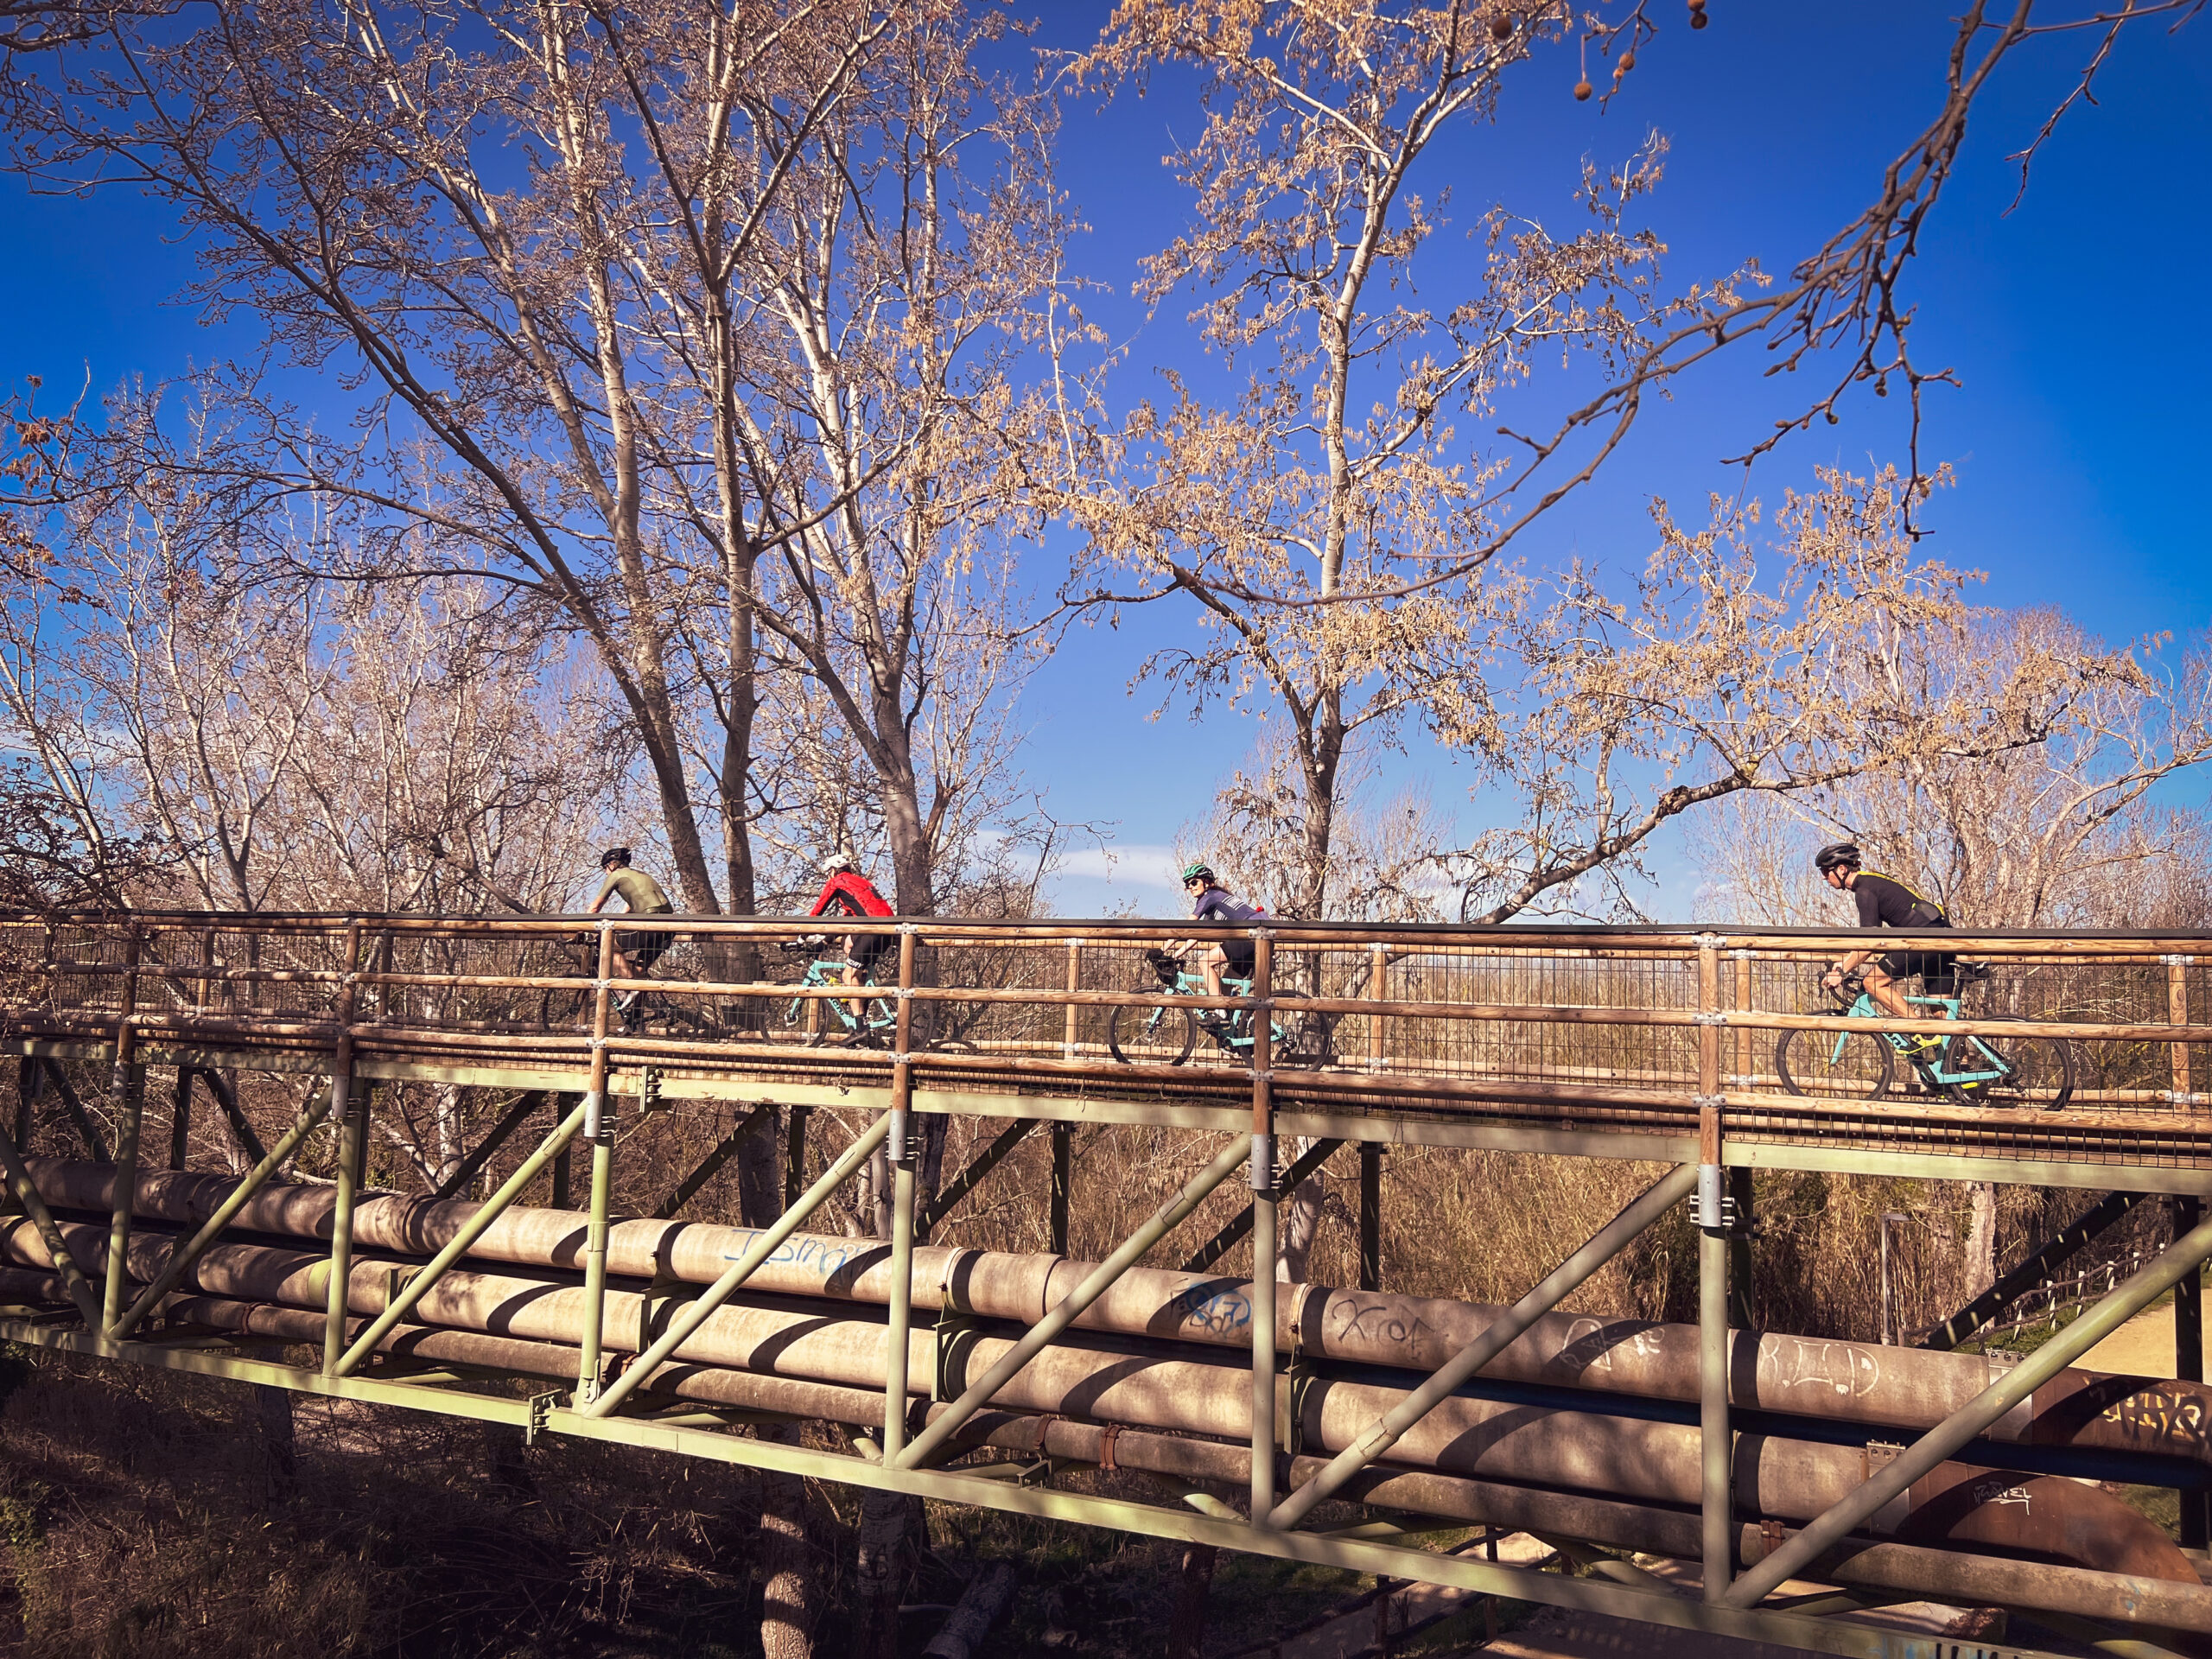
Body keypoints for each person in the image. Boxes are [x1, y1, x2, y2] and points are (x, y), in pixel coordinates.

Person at [1815, 842, 1955, 1055]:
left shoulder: (1864, 890)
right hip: (1941, 936)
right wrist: (1845, 963)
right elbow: (1869, 941)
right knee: (1940, 1014)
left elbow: (1870, 941)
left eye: (1826, 872)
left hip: (1922, 937)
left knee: (1872, 983)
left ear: (1841, 869)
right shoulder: (1872, 881)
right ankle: (1960, 1072)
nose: (1824, 878)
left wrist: (1842, 971)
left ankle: (1920, 1032)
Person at [587, 848, 676, 1011]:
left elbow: (594, 908)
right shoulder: (641, 876)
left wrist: (583, 928)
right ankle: (634, 1020)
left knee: (608, 946)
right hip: (668, 927)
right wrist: (620, 919)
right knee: (637, 971)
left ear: (612, 865)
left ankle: (633, 987)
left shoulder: (616, 875)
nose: (606, 872)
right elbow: (632, 905)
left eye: (605, 868)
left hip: (650, 921)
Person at [1171, 862, 1262, 1018]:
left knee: (1205, 962)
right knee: (1223, 988)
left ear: (1207, 882)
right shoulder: (1215, 903)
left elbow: (1186, 925)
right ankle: (1234, 1027)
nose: (1190, 887)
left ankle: (1219, 1009)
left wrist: (1163, 949)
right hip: (1255, 941)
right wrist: (1174, 956)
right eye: (1187, 885)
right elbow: (1195, 937)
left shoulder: (1209, 897)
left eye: (1194, 882)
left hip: (1250, 937)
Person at [809, 849, 896, 1002]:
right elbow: (847, 919)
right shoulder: (862, 883)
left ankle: (858, 1024)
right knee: (848, 943)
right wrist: (825, 941)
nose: (828, 877)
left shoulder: (837, 882)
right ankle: (858, 982)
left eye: (828, 873)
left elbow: (817, 911)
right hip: (889, 929)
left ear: (834, 870)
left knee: (848, 974)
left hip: (874, 929)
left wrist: (801, 936)